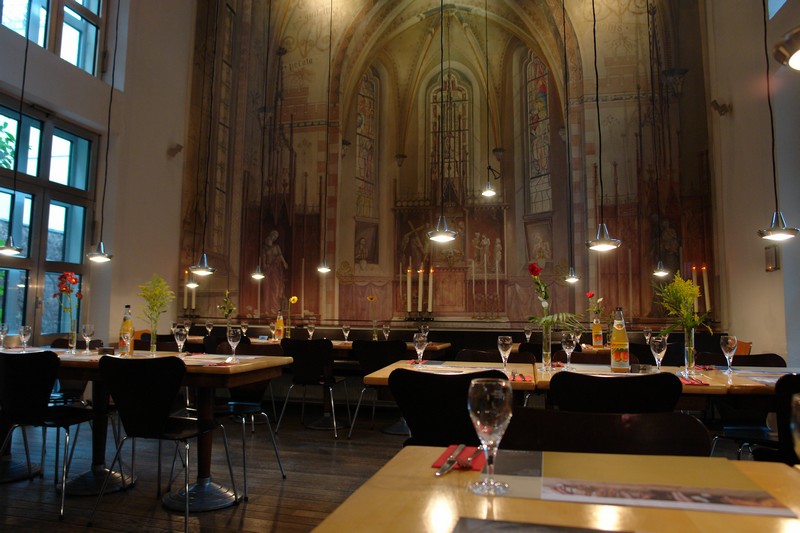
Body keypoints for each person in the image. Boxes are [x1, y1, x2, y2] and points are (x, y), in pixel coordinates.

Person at [262, 230, 288, 314]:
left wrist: (284, 263)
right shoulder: (265, 248)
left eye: (276, 236)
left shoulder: (276, 247)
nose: (274, 237)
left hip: (275, 270)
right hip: (268, 269)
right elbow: (263, 257)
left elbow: (280, 256)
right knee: (267, 288)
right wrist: (264, 265)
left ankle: (275, 308)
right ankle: (267, 308)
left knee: (276, 288)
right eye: (274, 235)